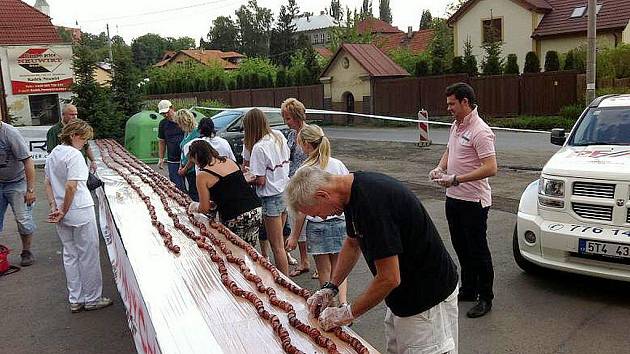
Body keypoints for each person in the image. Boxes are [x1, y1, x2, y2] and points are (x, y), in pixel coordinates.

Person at [285, 167, 459, 354]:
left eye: (314, 212)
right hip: (403, 299)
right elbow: (352, 243)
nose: (320, 217)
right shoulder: (351, 193)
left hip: (426, 301)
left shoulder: (372, 204)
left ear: (322, 195)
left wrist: (347, 314)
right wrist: (331, 287)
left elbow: (389, 278)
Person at [429, 82, 497, 319]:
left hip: (473, 201)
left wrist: (457, 179)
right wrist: (440, 168)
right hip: (454, 198)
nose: (448, 108)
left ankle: (486, 297)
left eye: (452, 104)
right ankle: (468, 289)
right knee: (461, 247)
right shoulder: (456, 126)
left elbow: (491, 167)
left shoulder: (480, 131)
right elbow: (449, 151)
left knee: (478, 251)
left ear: (465, 102)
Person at [44, 119, 113, 312]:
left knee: (70, 254)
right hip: (78, 209)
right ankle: (92, 298)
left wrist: (54, 207)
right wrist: (64, 209)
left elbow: (48, 183)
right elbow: (71, 186)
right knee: (88, 254)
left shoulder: (53, 154)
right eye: (83, 139)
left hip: (60, 210)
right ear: (74, 136)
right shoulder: (74, 155)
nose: (84, 143)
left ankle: (75, 298)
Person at [284, 124, 348, 305]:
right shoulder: (337, 164)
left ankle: (329, 305)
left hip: (317, 225)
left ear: (305, 144)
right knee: (340, 268)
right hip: (339, 222)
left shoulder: (304, 171)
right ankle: (343, 303)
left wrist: (294, 236)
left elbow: (302, 210)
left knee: (324, 269)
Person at [242, 108, 290, 275]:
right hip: (285, 191)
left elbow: (260, 180)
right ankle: (285, 278)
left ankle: (284, 282)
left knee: (276, 246)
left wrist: (246, 178)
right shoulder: (278, 136)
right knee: (280, 244)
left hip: (271, 197)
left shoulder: (259, 147)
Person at [187, 140, 262, 246]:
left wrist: (195, 207)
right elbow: (231, 188)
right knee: (249, 249)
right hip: (255, 210)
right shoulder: (229, 161)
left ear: (197, 158)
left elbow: (204, 208)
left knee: (236, 250)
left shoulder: (202, 175)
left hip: (236, 216)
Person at [0, 116, 37, 266]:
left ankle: (26, 251)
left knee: (23, 220)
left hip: (17, 182)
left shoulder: (10, 133)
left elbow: (28, 161)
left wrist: (30, 190)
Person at [281, 98, 311, 277]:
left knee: (311, 224)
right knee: (296, 223)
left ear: (298, 116)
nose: (286, 122)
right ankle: (304, 260)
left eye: (289, 118)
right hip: (293, 182)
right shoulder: (291, 134)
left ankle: (322, 263)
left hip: (308, 182)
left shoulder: (310, 133)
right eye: (285, 118)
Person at [46, 104, 97, 172]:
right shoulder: (54, 131)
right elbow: (51, 153)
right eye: (71, 114)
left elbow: (87, 147)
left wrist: (93, 161)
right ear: (63, 115)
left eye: (76, 114)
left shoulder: (79, 128)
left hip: (81, 165)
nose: (75, 117)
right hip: (65, 168)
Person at [157, 100, 185, 192]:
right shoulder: (163, 124)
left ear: (172, 108)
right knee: (177, 188)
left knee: (193, 185)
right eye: (163, 113)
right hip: (173, 160)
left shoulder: (183, 120)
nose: (165, 115)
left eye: (167, 112)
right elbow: (162, 142)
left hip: (186, 159)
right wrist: (161, 158)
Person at [174, 109, 200, 201]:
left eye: (179, 123)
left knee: (194, 192)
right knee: (190, 191)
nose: (178, 126)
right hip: (186, 168)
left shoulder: (196, 132)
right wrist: (181, 165)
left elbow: (195, 154)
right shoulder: (186, 132)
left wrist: (185, 169)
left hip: (193, 170)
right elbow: (183, 151)